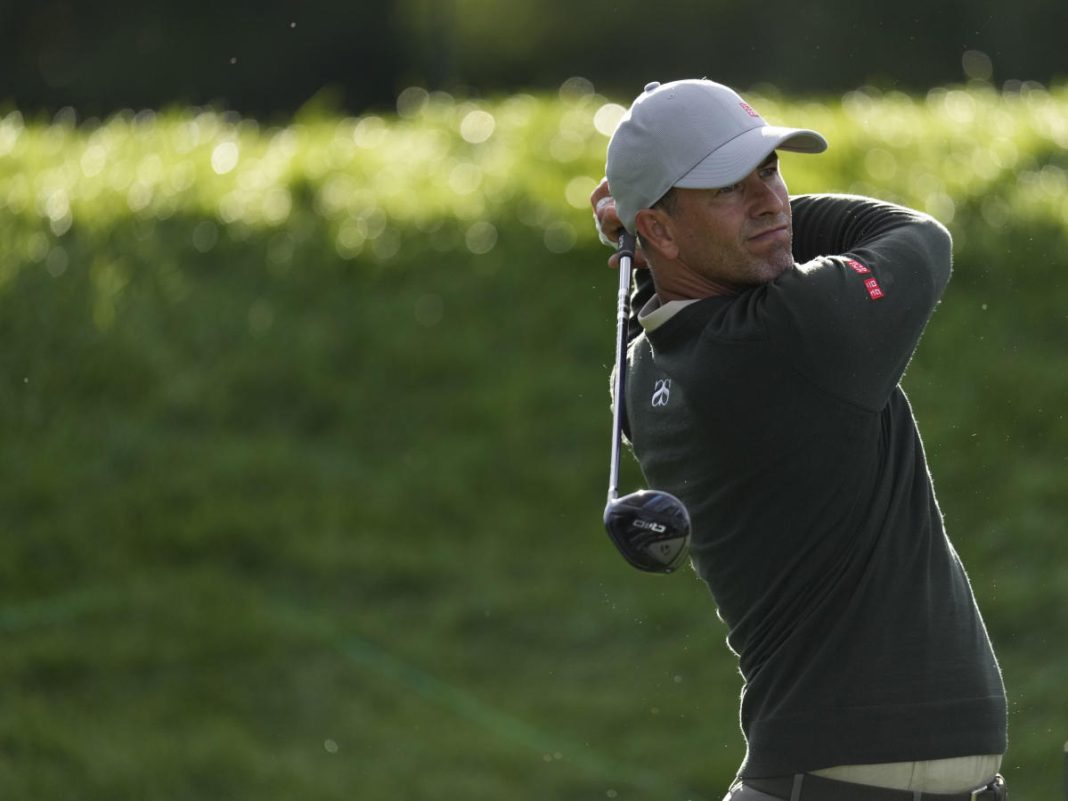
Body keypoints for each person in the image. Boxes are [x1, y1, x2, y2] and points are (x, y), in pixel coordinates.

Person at [589, 79, 1008, 801]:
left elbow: (669, 296)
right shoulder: (796, 332)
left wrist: (666, 234)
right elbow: (918, 238)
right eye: (728, 187)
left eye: (772, 173)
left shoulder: (644, 373)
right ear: (657, 229)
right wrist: (654, 228)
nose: (771, 202)